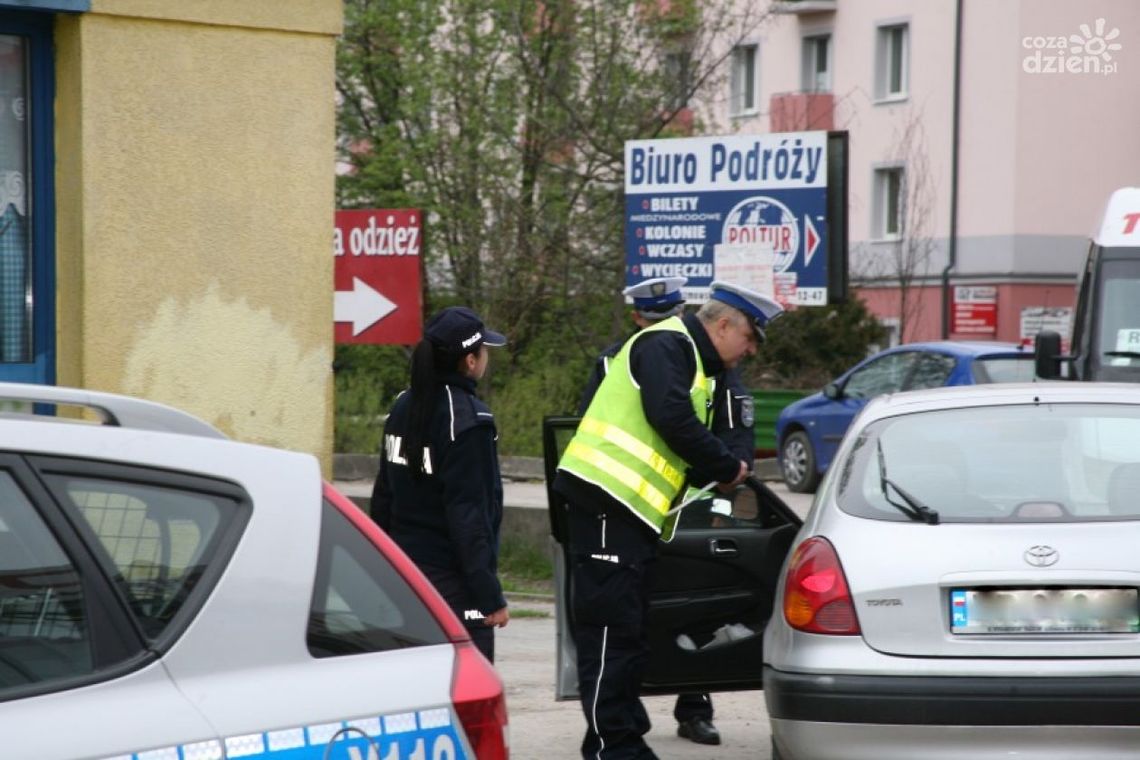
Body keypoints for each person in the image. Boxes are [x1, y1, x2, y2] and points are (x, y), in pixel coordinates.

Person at [555, 280, 783, 759]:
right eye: (748, 341)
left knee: (630, 633)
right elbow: (671, 419)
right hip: (604, 504)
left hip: (628, 514)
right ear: (724, 325)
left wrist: (720, 467)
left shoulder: (693, 363)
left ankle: (621, 736)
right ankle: (610, 746)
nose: (747, 353)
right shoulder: (667, 344)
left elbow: (681, 440)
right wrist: (726, 469)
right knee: (610, 634)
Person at [370, 306, 510, 663]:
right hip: (454, 587)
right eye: (484, 350)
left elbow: (383, 496)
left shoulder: (404, 405)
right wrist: (489, 597)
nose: (486, 358)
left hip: (405, 579)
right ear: (469, 361)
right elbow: (470, 518)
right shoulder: (469, 422)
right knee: (465, 698)